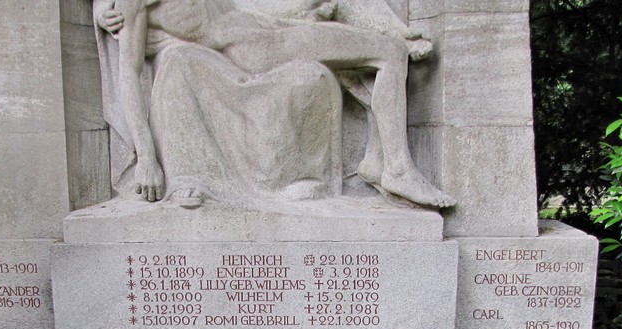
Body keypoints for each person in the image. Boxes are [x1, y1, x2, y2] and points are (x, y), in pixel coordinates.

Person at [95, 0, 455, 209]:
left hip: (267, 27)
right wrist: (147, 159)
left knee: (385, 49)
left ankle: (378, 161)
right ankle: (397, 169)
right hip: (254, 48)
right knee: (389, 52)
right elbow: (129, 72)